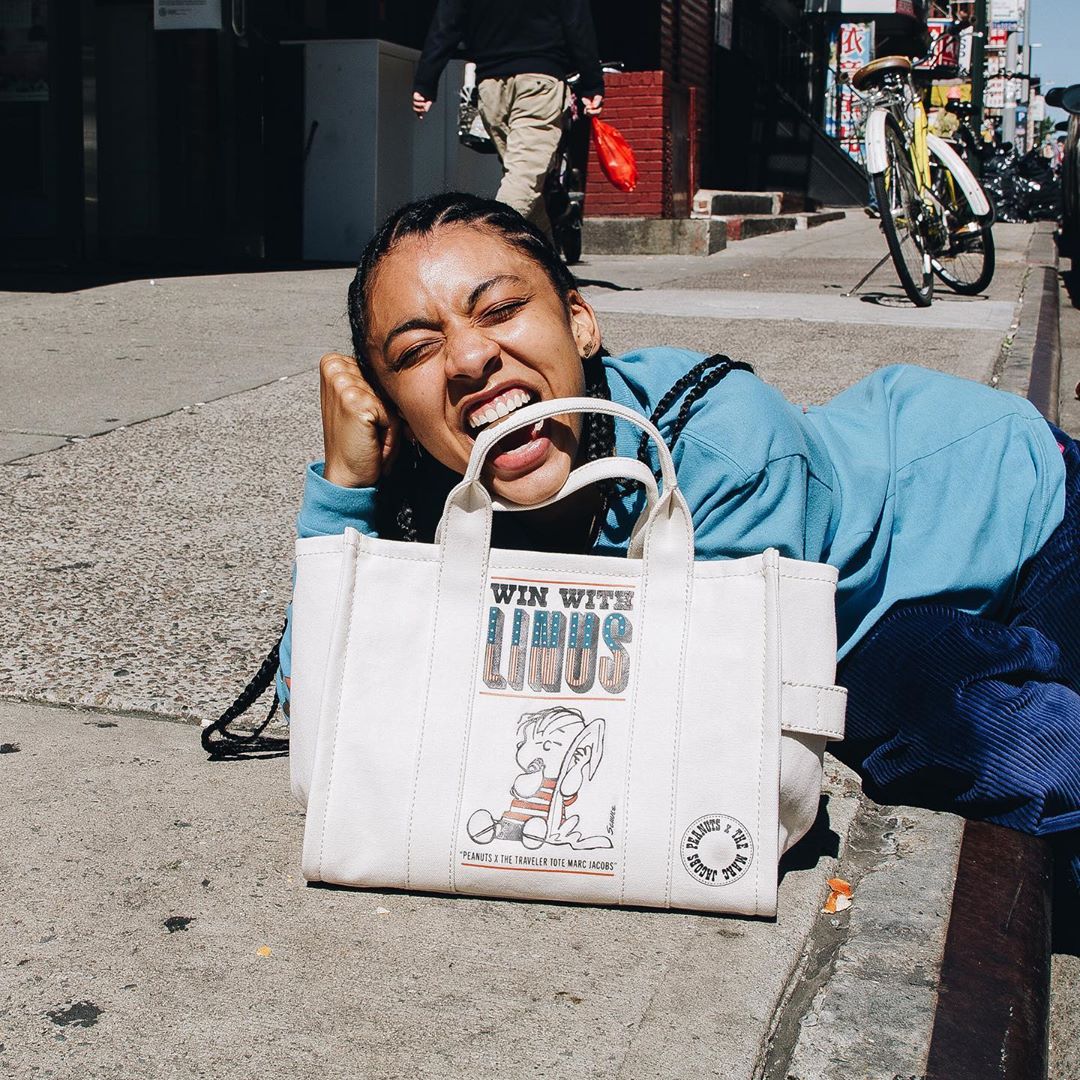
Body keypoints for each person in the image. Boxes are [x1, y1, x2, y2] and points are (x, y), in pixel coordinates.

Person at [273, 192, 1080, 915]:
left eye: (500, 309)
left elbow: (683, 722)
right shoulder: (443, 490)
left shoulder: (719, 442)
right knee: (912, 704)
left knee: (963, 731)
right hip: (865, 633)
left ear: (581, 322)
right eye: (415, 352)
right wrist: (348, 485)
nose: (469, 359)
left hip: (1017, 506)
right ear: (393, 404)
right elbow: (320, 707)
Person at [411, 0, 604, 241]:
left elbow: (447, 22)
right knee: (523, 182)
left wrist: (426, 81)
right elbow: (577, 22)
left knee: (524, 182)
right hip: (538, 81)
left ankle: (549, 268)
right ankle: (488, 246)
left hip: (491, 89)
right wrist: (592, 83)